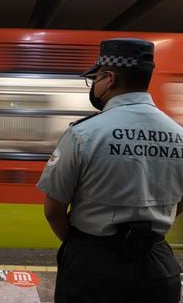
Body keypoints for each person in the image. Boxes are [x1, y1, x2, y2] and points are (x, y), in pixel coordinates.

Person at [37, 38, 182, 303]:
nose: (94, 85)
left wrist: (82, 247)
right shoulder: (180, 136)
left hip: (94, 267)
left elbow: (53, 210)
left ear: (109, 78)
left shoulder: (83, 134)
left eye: (95, 78)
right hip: (158, 266)